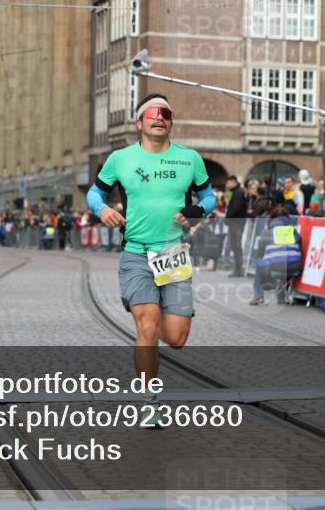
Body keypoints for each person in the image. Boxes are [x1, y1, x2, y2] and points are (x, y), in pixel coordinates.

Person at [87, 93, 216, 428]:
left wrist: (198, 210)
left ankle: (155, 341)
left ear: (171, 121)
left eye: (166, 113)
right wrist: (102, 209)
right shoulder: (120, 158)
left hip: (173, 253)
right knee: (147, 324)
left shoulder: (189, 159)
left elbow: (209, 196)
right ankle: (149, 402)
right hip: (136, 252)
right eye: (153, 113)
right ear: (139, 122)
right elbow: (94, 193)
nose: (160, 118)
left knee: (175, 338)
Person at [250, 204, 304, 305]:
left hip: (276, 267)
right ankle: (281, 297)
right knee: (285, 262)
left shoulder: (267, 232)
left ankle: (258, 295)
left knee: (260, 264)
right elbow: (301, 250)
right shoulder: (293, 231)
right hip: (296, 269)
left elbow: (260, 253)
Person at [223, 175, 248, 277]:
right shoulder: (235, 192)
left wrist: (228, 217)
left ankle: (238, 269)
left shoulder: (238, 193)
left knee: (236, 246)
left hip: (236, 223)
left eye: (228, 183)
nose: (227, 185)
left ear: (234, 182)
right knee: (235, 246)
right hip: (235, 223)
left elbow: (236, 209)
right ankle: (237, 269)